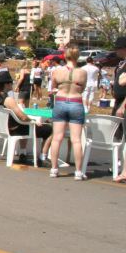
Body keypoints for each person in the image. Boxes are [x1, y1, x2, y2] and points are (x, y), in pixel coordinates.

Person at [0, 71, 53, 165]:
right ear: (6, 84)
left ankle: (23, 152)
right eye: (11, 82)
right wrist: (34, 121)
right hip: (15, 130)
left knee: (24, 126)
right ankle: (42, 156)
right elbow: (22, 117)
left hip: (4, 129)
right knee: (49, 130)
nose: (12, 84)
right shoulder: (8, 100)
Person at [48, 46, 87, 180]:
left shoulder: (57, 71)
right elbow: (82, 89)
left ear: (65, 56)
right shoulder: (82, 72)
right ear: (77, 56)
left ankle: (54, 169)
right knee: (76, 140)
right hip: (76, 102)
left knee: (57, 138)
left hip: (61, 101)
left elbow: (53, 86)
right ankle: (78, 171)